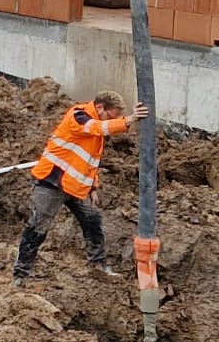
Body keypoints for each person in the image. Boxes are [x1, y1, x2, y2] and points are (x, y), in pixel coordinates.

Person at [11, 91, 149, 286]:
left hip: (74, 187)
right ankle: (21, 274)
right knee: (38, 227)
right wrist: (130, 119)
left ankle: (98, 266)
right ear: (100, 108)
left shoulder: (95, 129)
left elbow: (89, 160)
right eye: (111, 116)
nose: (112, 120)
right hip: (51, 182)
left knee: (92, 220)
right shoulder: (79, 115)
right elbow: (98, 128)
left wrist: (93, 186)